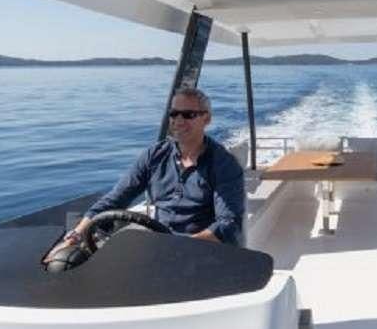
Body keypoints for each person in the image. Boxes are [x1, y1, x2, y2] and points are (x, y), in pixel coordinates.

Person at [43, 87, 245, 262]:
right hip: (160, 242)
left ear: (206, 118)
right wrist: (74, 236)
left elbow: (228, 225)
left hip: (203, 249)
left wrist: (182, 246)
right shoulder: (154, 156)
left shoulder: (224, 165)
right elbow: (116, 199)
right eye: (174, 114)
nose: (178, 120)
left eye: (188, 115)